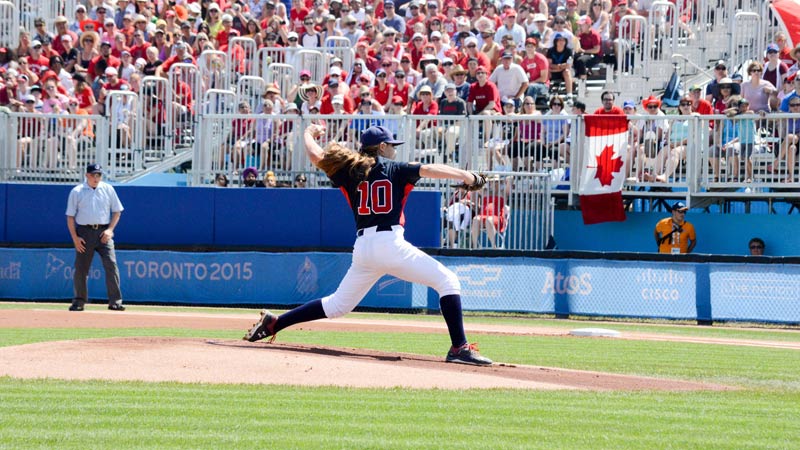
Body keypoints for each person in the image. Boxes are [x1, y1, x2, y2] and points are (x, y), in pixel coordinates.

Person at [243, 125, 493, 366]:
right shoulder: (395, 168)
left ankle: (275, 324)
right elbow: (428, 168)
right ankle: (459, 348)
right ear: (382, 147)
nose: (394, 149)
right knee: (447, 281)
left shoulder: (349, 170)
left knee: (338, 305)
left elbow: (316, 155)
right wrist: (468, 176)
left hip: (363, 247)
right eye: (392, 145)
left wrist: (308, 133)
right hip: (389, 244)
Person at [65, 163, 125, 311]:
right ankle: (79, 301)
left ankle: (115, 301)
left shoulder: (108, 189)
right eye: (93, 175)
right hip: (84, 232)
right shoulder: (77, 191)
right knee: (81, 268)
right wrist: (75, 238)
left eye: (99, 175)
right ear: (87, 175)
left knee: (111, 265)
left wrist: (110, 230)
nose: (96, 178)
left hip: (103, 232)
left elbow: (117, 211)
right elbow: (70, 216)